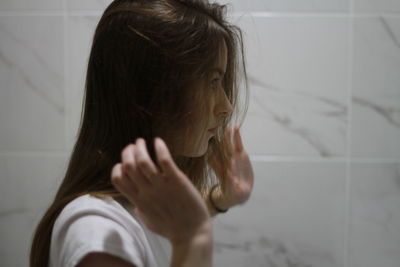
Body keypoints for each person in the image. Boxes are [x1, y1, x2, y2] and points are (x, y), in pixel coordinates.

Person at [30, 0, 254, 266]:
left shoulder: (132, 205)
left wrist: (221, 198)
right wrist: (194, 239)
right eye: (213, 81)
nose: (226, 106)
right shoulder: (97, 232)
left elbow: (162, 213)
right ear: (153, 90)